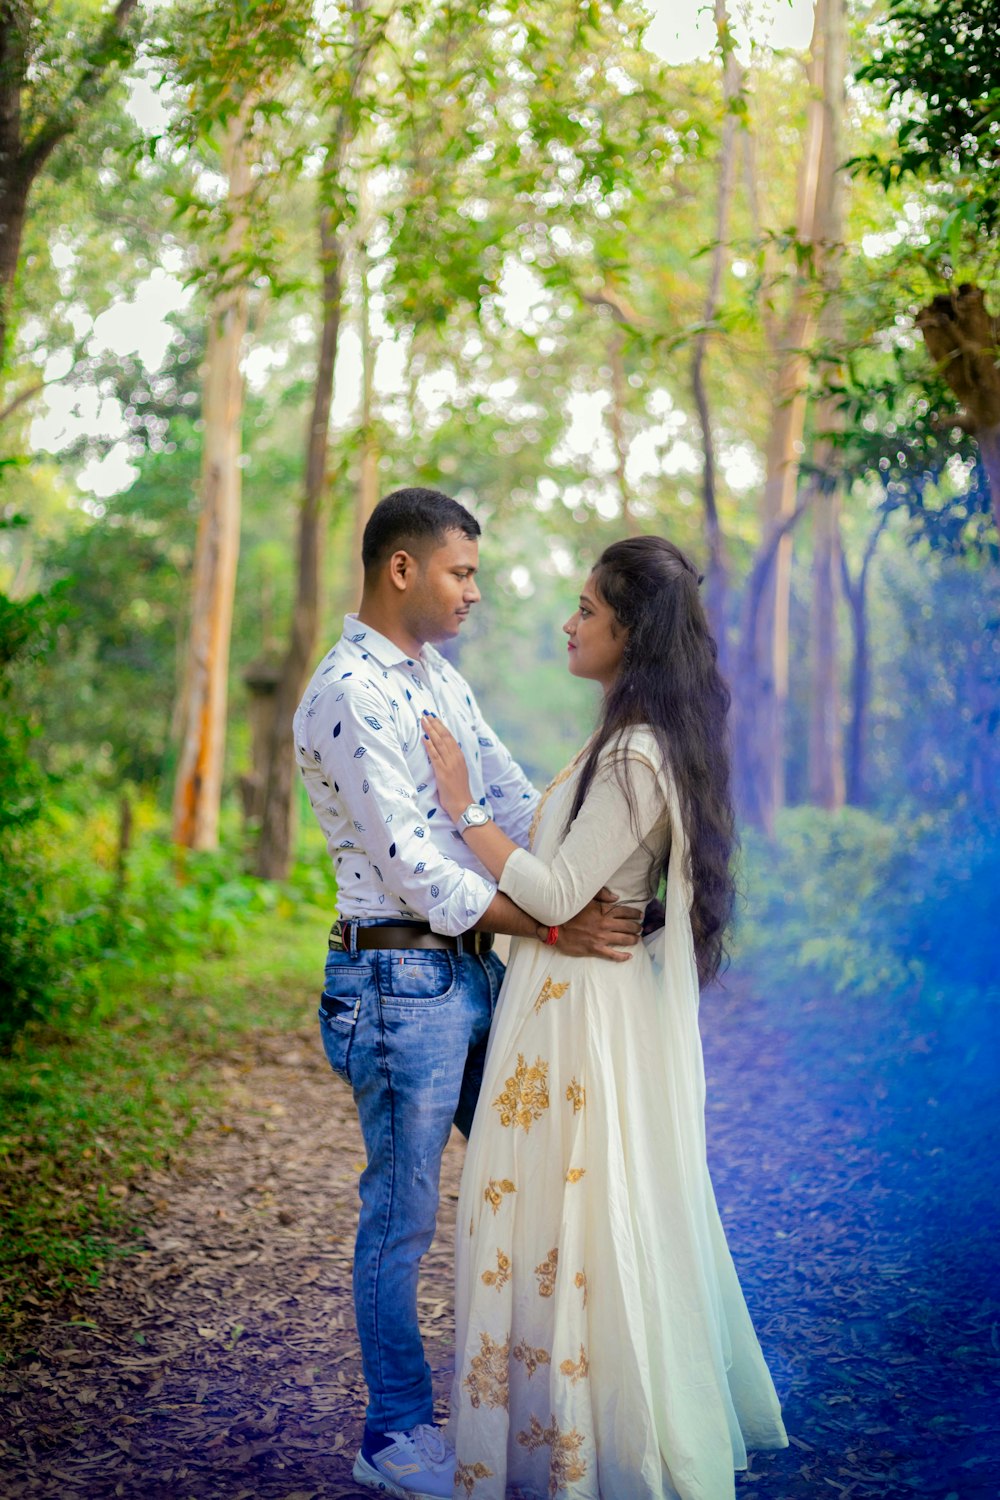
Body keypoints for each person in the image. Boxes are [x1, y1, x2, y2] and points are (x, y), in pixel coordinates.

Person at [293, 488, 645, 1500]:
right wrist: (546, 921)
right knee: (400, 1215)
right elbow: (413, 862)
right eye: (460, 573)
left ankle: (542, 1401)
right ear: (400, 568)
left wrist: (587, 871)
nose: (474, 594)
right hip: (395, 978)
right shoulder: (347, 693)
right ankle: (393, 1432)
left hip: (472, 970)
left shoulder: (436, 680)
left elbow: (502, 797)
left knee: (537, 1166)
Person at [423, 535, 789, 1500]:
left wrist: (464, 809)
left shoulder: (632, 753)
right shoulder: (624, 740)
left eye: (587, 608)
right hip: (568, 1003)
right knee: (561, 1220)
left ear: (630, 633)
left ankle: (585, 1450)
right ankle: (551, 1441)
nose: (569, 621)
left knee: (572, 1218)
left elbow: (553, 888)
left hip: (576, 1018)